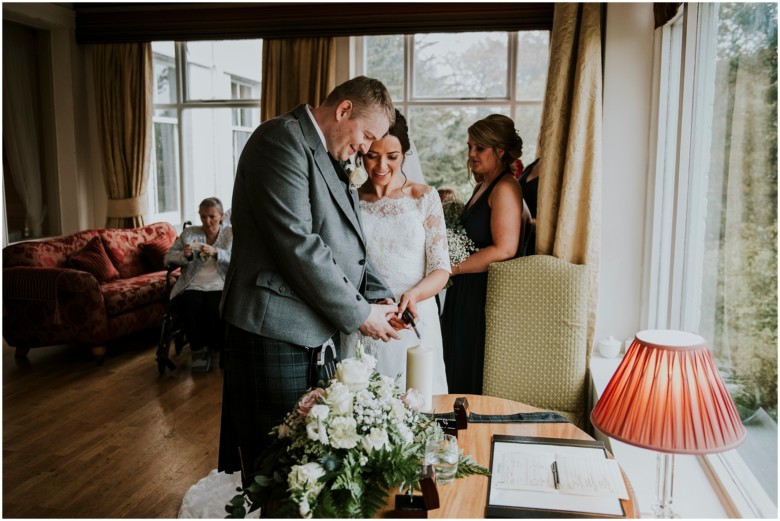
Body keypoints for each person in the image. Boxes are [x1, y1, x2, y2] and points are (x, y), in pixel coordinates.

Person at [217, 76, 405, 479]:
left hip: (316, 333)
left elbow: (349, 244)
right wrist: (359, 313)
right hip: (272, 330)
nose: (366, 150)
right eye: (366, 136)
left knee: (309, 467)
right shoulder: (280, 141)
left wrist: (381, 297)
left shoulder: (332, 154)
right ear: (343, 110)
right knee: (274, 465)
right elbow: (299, 246)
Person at [341, 110, 451, 394]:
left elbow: (441, 268)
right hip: (365, 317)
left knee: (416, 406)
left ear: (405, 154)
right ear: (361, 152)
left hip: (413, 317)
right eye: (373, 155)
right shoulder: (349, 200)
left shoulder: (424, 197)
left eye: (392, 156)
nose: (381, 165)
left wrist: (413, 295)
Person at [440, 114, 526, 395]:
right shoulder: (484, 184)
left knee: (468, 372)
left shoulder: (505, 187)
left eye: (480, 148)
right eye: (469, 147)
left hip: (481, 294)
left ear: (500, 151)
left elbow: (505, 249)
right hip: (466, 290)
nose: (471, 154)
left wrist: (453, 268)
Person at [164, 197, 232, 373]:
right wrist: (184, 256)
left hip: (219, 283)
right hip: (193, 283)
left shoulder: (231, 233)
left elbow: (240, 259)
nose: (207, 222)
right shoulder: (190, 233)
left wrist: (217, 253)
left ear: (222, 216)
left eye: (212, 217)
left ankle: (214, 346)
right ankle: (198, 350)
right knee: (188, 306)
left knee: (213, 307)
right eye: (203, 217)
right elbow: (168, 257)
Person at [518, 157, 540, 256]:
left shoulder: (553, 170)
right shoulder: (532, 164)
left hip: (532, 233)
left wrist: (533, 224)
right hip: (517, 228)